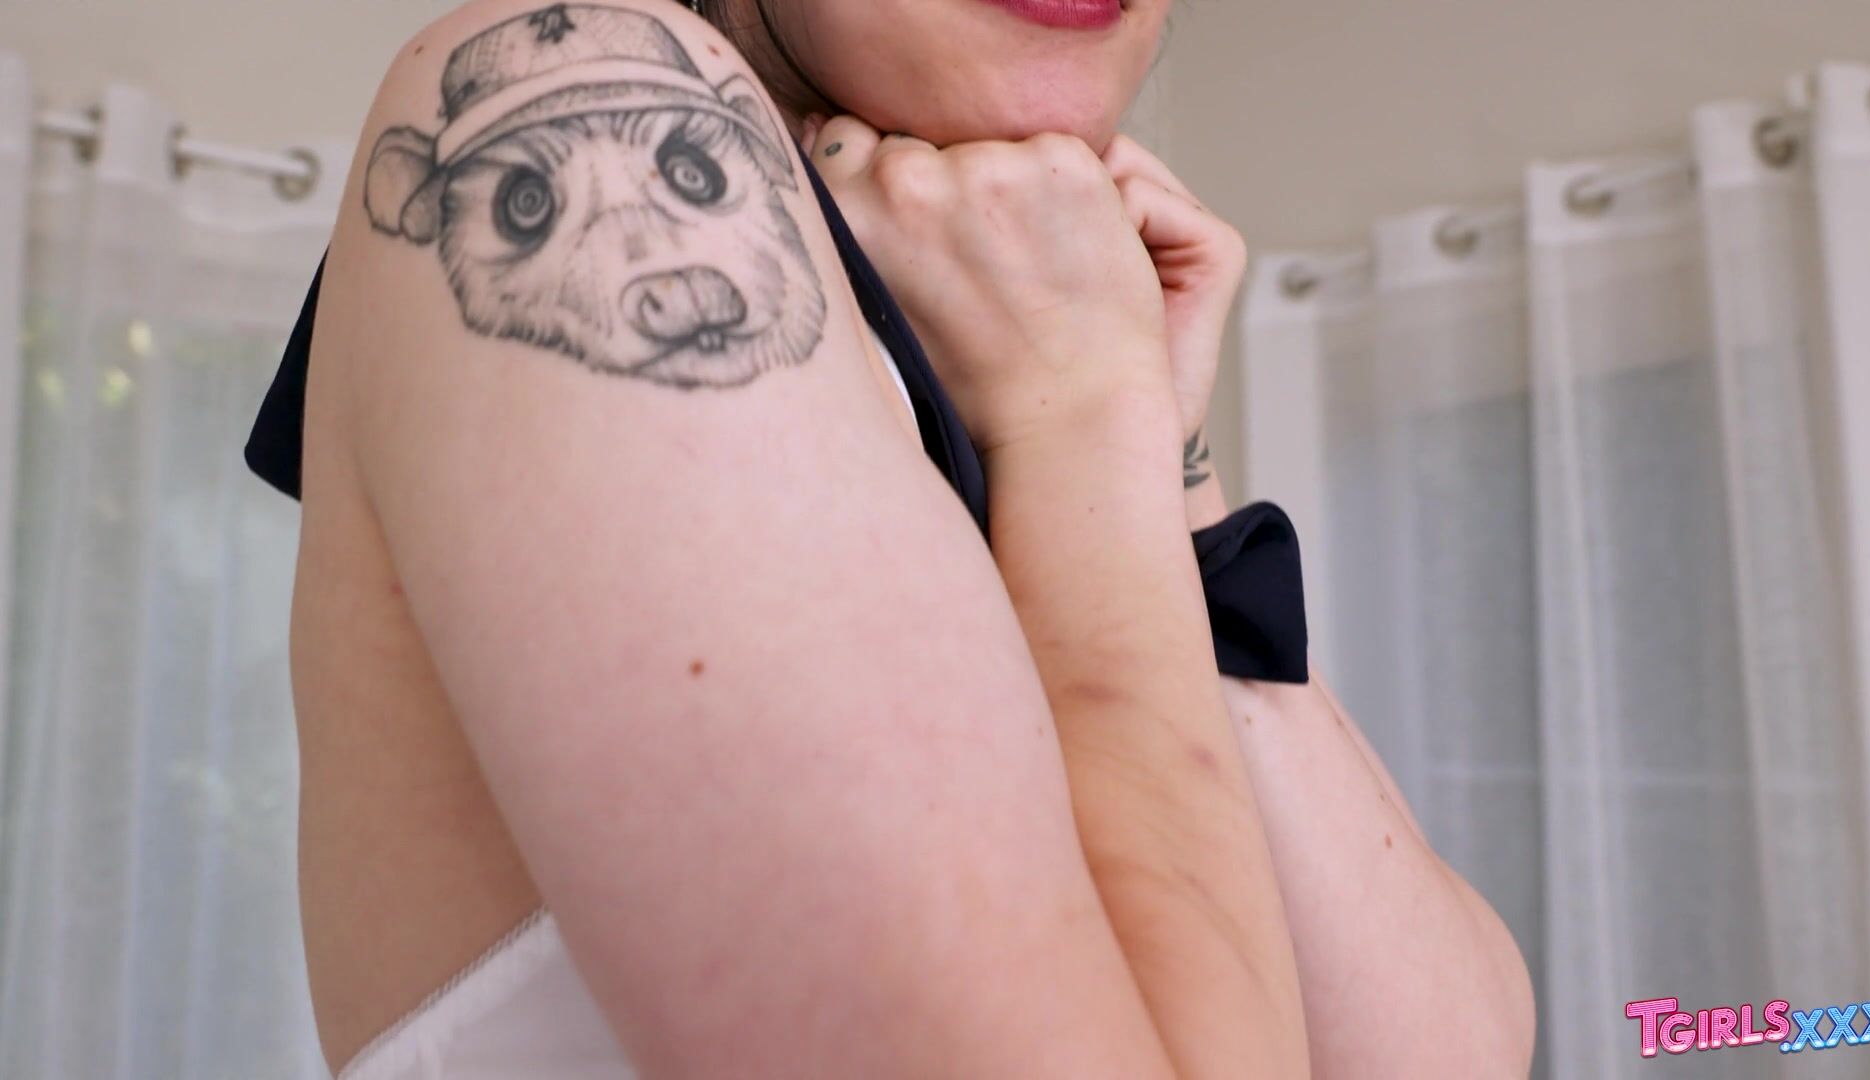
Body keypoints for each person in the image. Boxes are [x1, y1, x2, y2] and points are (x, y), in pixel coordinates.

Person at [245, 0, 1535, 1075]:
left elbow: (1439, 1058)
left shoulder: (1013, 361)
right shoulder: (592, 88)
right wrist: (1081, 411)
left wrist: (1145, 444)